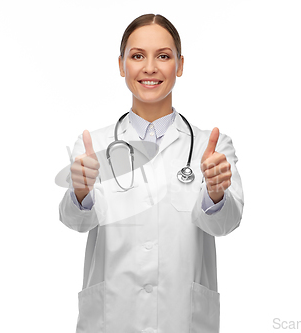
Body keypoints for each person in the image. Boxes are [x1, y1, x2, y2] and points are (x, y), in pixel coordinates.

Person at [59, 13, 244, 333]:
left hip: (182, 318)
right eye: (137, 56)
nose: (149, 68)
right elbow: (77, 221)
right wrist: (81, 191)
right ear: (121, 65)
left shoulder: (209, 147)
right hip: (113, 317)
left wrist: (215, 192)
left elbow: (224, 224)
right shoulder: (95, 146)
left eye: (163, 56)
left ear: (180, 65)